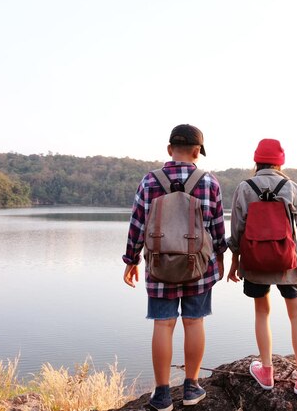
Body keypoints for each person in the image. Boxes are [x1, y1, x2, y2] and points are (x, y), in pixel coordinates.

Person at [122, 124, 227, 411]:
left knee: (163, 325)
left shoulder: (149, 181)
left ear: (169, 149)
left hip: (159, 267)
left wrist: (131, 260)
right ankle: (192, 387)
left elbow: (137, 226)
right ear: (197, 152)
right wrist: (220, 257)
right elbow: (217, 229)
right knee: (194, 322)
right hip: (199, 267)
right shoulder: (209, 182)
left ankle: (162, 394)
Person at [226, 138, 297, 396]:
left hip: (255, 262)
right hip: (287, 262)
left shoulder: (244, 188)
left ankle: (266, 371)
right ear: (281, 162)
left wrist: (235, 261)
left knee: (262, 312)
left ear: (256, 161)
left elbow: (236, 229)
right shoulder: (291, 187)